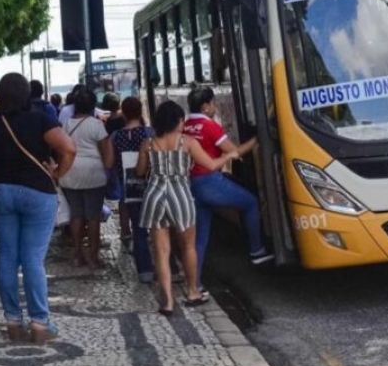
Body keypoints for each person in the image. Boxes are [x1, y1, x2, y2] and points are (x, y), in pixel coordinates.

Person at [0, 73, 76, 344]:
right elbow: (69, 149)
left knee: (7, 256)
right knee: (32, 258)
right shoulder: (40, 119)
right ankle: (40, 324)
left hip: (0, 193)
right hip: (36, 192)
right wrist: (57, 174)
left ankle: (12, 321)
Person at [136, 100, 238, 315]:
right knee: (188, 247)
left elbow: (140, 171)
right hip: (180, 194)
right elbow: (210, 165)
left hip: (154, 195)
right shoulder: (187, 142)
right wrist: (228, 155)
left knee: (162, 252)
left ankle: (167, 302)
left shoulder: (148, 143)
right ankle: (192, 292)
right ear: (179, 121)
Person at [184, 86, 273, 284]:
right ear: (206, 106)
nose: (215, 107)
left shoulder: (186, 124)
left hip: (191, 184)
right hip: (208, 180)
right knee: (250, 202)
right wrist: (258, 139)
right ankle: (257, 250)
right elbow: (235, 151)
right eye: (213, 103)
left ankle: (195, 284)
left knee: (200, 238)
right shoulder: (210, 126)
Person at [59, 89, 112, 270]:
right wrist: (108, 171)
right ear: (92, 106)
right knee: (93, 217)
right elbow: (107, 153)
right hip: (93, 174)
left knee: (76, 215)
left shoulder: (66, 124)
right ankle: (93, 256)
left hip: (70, 173)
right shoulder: (96, 125)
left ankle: (77, 254)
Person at [108, 97, 154, 281]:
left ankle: (145, 272)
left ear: (124, 113)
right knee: (160, 228)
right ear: (141, 110)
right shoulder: (149, 132)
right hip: (153, 185)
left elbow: (109, 163)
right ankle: (169, 269)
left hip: (129, 188)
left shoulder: (115, 136)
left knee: (139, 230)